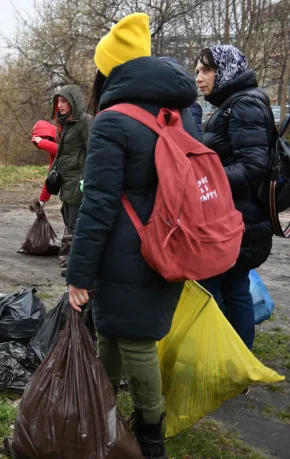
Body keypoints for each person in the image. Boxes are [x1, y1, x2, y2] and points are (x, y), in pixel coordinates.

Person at [65, 13, 201, 458]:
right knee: (114, 333)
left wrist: (78, 275)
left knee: (135, 342)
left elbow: (99, 205)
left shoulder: (112, 121)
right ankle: (104, 414)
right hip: (170, 243)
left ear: (111, 68)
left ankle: (146, 435)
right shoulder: (179, 113)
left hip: (127, 251)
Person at [195, 45, 274, 350]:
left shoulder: (244, 105)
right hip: (237, 217)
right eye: (199, 70)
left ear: (225, 70)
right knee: (232, 287)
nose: (198, 77)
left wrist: (201, 182)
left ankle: (225, 363)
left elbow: (254, 166)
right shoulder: (232, 103)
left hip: (240, 218)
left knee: (222, 288)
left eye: (206, 70)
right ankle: (233, 363)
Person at [52, 85, 93, 276]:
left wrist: (86, 178)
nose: (59, 105)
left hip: (78, 180)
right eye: (58, 101)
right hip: (66, 180)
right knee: (68, 219)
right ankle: (69, 262)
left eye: (64, 101)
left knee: (74, 224)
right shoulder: (65, 123)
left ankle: (70, 265)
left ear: (73, 102)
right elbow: (62, 153)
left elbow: (92, 150)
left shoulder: (84, 121)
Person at [30, 120, 60, 211]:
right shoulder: (53, 154)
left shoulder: (62, 136)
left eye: (42, 138)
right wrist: (42, 201)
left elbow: (63, 150)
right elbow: (50, 178)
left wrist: (42, 142)